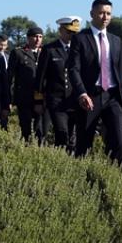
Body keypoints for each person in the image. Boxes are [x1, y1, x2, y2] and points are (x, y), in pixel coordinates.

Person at [68, 0, 122, 163]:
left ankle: (110, 174)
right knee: (84, 144)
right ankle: (81, 176)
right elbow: (73, 69)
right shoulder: (80, 38)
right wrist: (81, 93)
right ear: (92, 14)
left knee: (119, 140)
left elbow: (121, 70)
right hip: (90, 96)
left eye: (108, 13)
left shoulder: (116, 40)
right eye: (101, 13)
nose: (105, 17)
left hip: (112, 96)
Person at [35, 16, 80, 150]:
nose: (72, 35)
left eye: (75, 32)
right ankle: (59, 159)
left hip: (74, 100)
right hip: (56, 100)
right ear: (61, 30)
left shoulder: (79, 49)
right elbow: (40, 77)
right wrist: (38, 100)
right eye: (69, 32)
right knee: (61, 133)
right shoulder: (49, 49)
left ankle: (70, 160)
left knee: (73, 137)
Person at [10, 26, 48, 142]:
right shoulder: (18, 53)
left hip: (43, 97)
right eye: (35, 36)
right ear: (28, 38)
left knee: (41, 130)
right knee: (26, 130)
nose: (38, 39)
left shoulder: (46, 52)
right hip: (25, 98)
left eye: (40, 37)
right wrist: (10, 99)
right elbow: (10, 76)